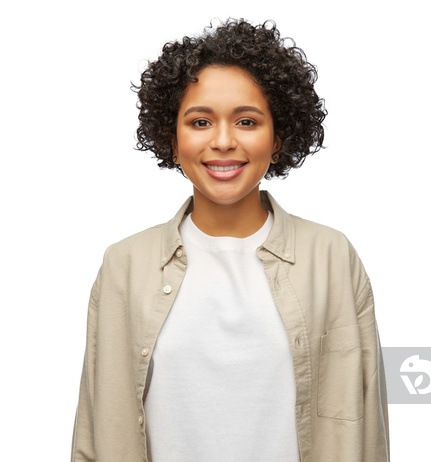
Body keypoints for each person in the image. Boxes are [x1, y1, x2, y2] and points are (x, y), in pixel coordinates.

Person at [71, 18, 389, 462]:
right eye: (200, 121)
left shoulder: (331, 257)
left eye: (246, 121)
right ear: (172, 137)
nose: (223, 141)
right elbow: (96, 424)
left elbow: (366, 425)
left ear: (278, 138)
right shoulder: (125, 264)